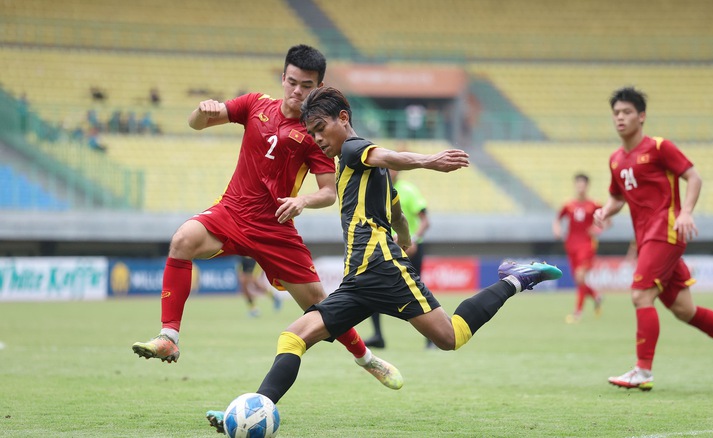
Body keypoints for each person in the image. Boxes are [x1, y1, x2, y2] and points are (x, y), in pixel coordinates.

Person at [205, 87, 562, 432]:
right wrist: (405, 238)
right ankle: (252, 411)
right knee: (293, 337)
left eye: (320, 129)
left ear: (342, 119)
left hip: (382, 268)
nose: (316, 139)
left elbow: (383, 156)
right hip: (358, 279)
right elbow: (395, 211)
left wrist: (429, 161)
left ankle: (516, 278)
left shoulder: (352, 150)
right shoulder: (359, 169)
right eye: (311, 133)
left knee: (450, 337)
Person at [132, 45, 401, 391]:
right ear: (282, 78)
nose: (297, 91)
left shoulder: (315, 136)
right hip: (232, 212)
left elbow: (329, 192)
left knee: (321, 306)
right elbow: (196, 124)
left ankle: (366, 358)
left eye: (306, 85)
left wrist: (302, 200)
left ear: (318, 86)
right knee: (182, 240)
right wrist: (202, 110)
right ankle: (169, 336)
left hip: (276, 229)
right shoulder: (255, 104)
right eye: (292, 82)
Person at [594, 86, 713, 391]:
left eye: (627, 112)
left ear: (641, 116)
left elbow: (693, 176)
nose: (620, 117)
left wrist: (687, 212)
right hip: (646, 239)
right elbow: (617, 198)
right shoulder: (616, 159)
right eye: (616, 112)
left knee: (641, 295)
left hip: (666, 231)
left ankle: (642, 371)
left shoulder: (659, 147)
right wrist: (605, 211)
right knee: (685, 311)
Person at [365, 165, 431, 349]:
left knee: (416, 291)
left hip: (411, 248)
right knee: (371, 288)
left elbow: (425, 221)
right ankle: (378, 336)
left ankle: (432, 336)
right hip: (385, 247)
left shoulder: (409, 191)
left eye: (391, 168)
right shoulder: (376, 189)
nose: (388, 172)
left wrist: (414, 239)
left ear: (398, 171)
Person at [552, 173, 603, 324]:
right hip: (571, 245)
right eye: (578, 184)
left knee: (581, 276)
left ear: (587, 186)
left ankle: (577, 313)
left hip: (587, 245)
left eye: (583, 184)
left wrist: (597, 229)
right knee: (578, 279)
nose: (581, 187)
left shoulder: (594, 204)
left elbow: (605, 221)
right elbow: (557, 219)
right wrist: (556, 229)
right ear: (575, 185)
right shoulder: (568, 205)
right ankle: (596, 296)